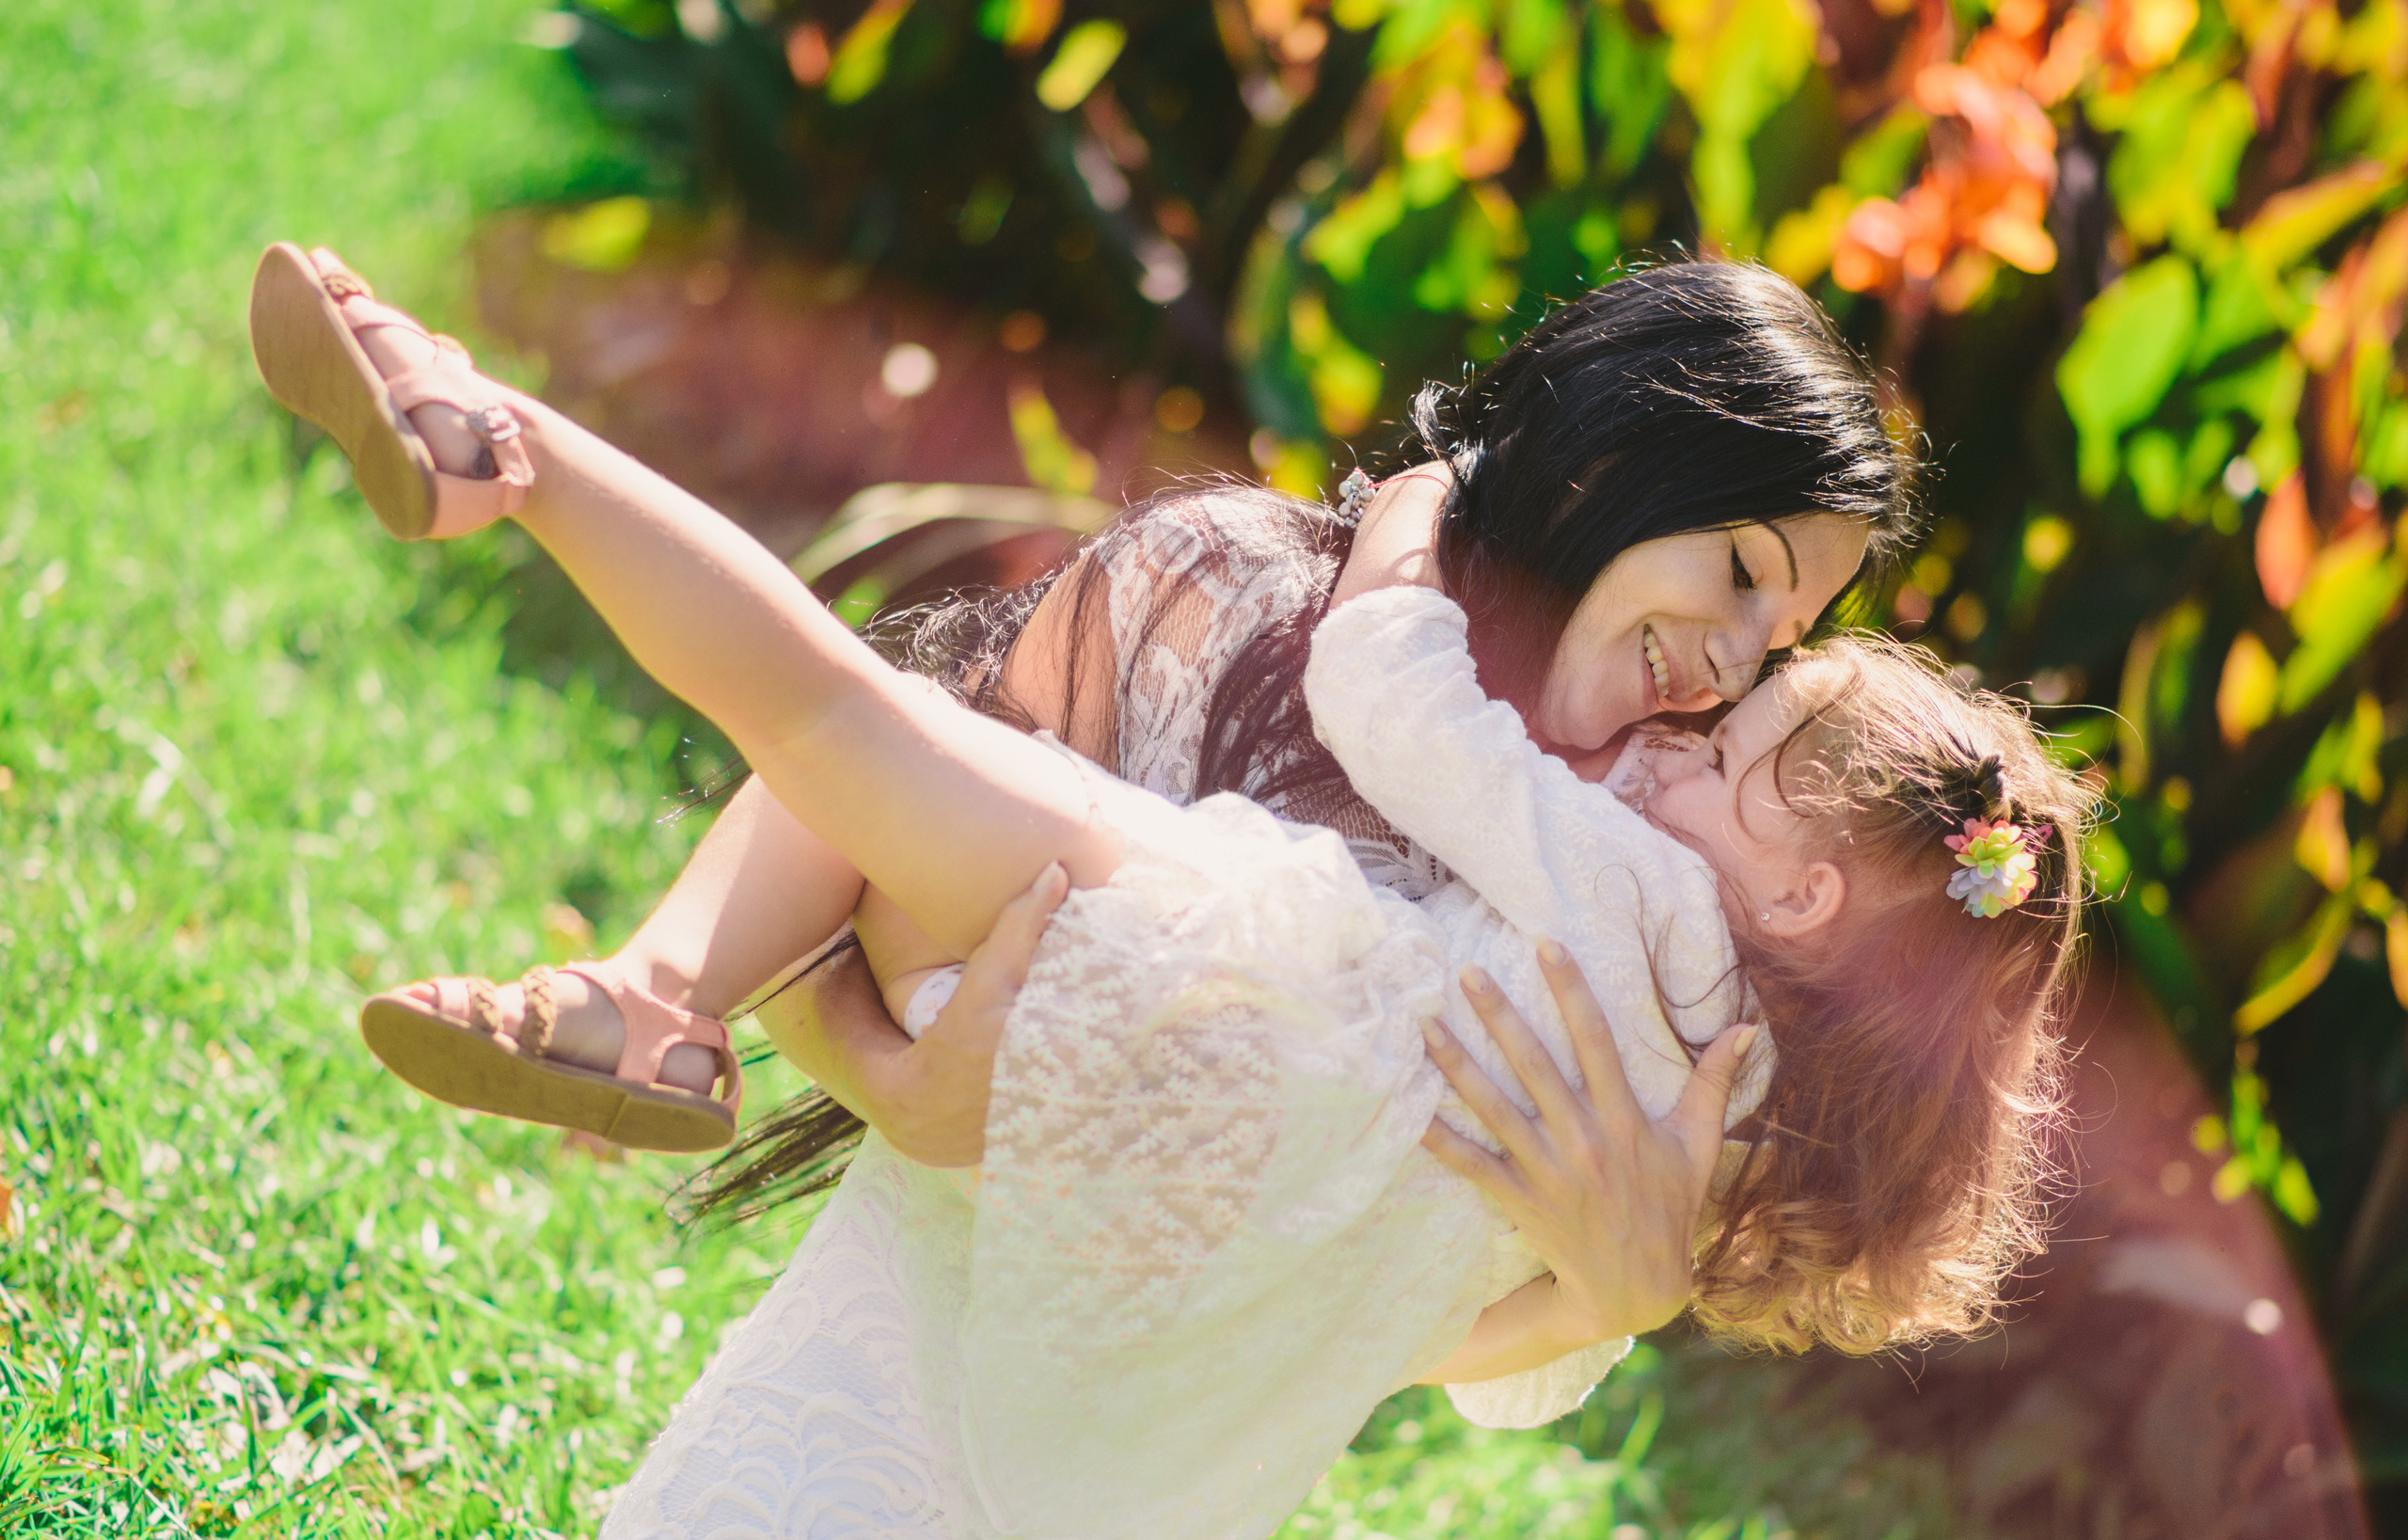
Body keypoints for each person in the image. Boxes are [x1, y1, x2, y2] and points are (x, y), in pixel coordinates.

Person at [249, 243, 2085, 1540]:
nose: (1736, 671)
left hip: (1160, 1161)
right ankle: (651, 973)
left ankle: (498, 443)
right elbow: (876, 831)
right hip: (1058, 1313)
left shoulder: (1619, 868)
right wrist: (899, 1082)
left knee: (838, 709)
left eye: (1789, 648)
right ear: (1620, 464)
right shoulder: (1237, 600)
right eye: (1749, 582)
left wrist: (1619, 1288)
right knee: (857, 728)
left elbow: (1421, 1308)